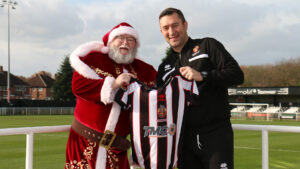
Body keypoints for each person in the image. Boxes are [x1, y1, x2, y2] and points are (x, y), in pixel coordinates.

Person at [156, 8, 244, 169]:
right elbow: (160, 103)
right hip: (183, 140)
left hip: (215, 134)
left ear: (185, 25)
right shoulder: (164, 67)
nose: (171, 31)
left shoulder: (207, 45)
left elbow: (237, 75)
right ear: (161, 31)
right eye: (166, 28)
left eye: (175, 25)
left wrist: (203, 75)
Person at [65, 22, 157, 169]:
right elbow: (78, 86)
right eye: (120, 38)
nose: (125, 42)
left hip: (117, 149)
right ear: (111, 41)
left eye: (130, 40)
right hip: (85, 143)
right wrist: (113, 84)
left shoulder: (144, 70)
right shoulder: (93, 59)